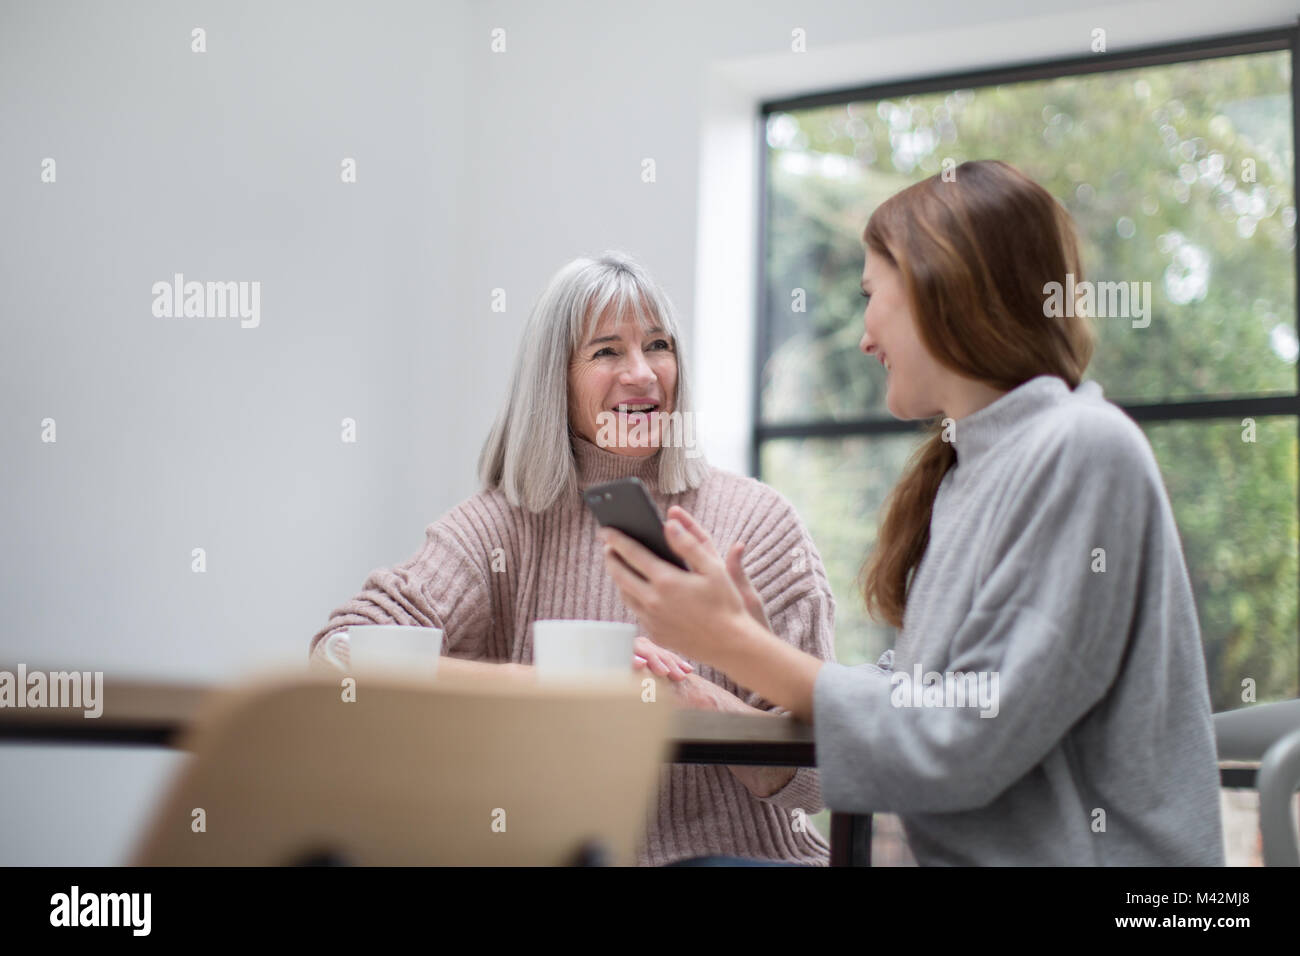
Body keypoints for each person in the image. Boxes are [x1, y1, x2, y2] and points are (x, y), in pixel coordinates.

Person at [600, 160, 1226, 865]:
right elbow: (924, 700)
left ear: (942, 286)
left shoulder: (1085, 449)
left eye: (872, 295)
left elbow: (963, 740)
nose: (865, 336)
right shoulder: (971, 471)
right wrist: (740, 670)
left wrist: (740, 649)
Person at [309, 251, 836, 866]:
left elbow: (824, 774)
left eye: (658, 346)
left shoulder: (757, 524)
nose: (642, 374)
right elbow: (339, 654)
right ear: (554, 379)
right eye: (607, 351)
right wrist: (545, 685)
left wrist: (703, 703)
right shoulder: (502, 526)